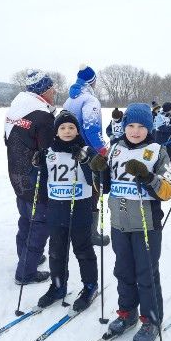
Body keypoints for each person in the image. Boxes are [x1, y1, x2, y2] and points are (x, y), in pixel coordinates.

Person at [89, 103, 171, 341]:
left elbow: (168, 190)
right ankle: (127, 313)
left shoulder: (157, 151)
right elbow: (103, 188)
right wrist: (98, 174)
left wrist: (148, 177)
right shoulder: (115, 149)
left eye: (141, 126)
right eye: (130, 126)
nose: (135, 131)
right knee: (123, 271)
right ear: (124, 126)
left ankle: (151, 319)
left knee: (146, 273)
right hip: (119, 223)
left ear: (149, 128)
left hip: (146, 225)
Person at [36, 111, 99, 311]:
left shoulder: (87, 150)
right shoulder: (49, 152)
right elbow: (44, 179)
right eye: (62, 128)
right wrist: (37, 164)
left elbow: (97, 180)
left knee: (83, 250)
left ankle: (90, 286)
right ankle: (57, 285)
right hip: (56, 209)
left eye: (71, 127)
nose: (67, 131)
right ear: (56, 132)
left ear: (77, 130)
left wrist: (86, 161)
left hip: (79, 208)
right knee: (56, 252)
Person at [5, 70, 56, 284]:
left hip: (17, 174)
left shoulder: (16, 109)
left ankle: (25, 257)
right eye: (52, 87)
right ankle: (26, 271)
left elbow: (7, 140)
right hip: (35, 177)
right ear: (43, 90)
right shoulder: (42, 115)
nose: (55, 91)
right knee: (39, 224)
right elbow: (48, 151)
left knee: (26, 219)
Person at [63, 64, 110, 247]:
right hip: (88, 154)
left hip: (72, 153)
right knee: (93, 192)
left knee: (77, 191)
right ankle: (91, 234)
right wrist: (102, 150)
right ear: (92, 81)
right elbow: (91, 128)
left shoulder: (68, 101)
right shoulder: (90, 100)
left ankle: (73, 230)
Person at [154, 102, 171, 174]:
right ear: (168, 109)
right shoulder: (159, 116)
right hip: (161, 139)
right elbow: (160, 127)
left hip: (169, 138)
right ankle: (158, 169)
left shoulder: (169, 116)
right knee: (160, 155)